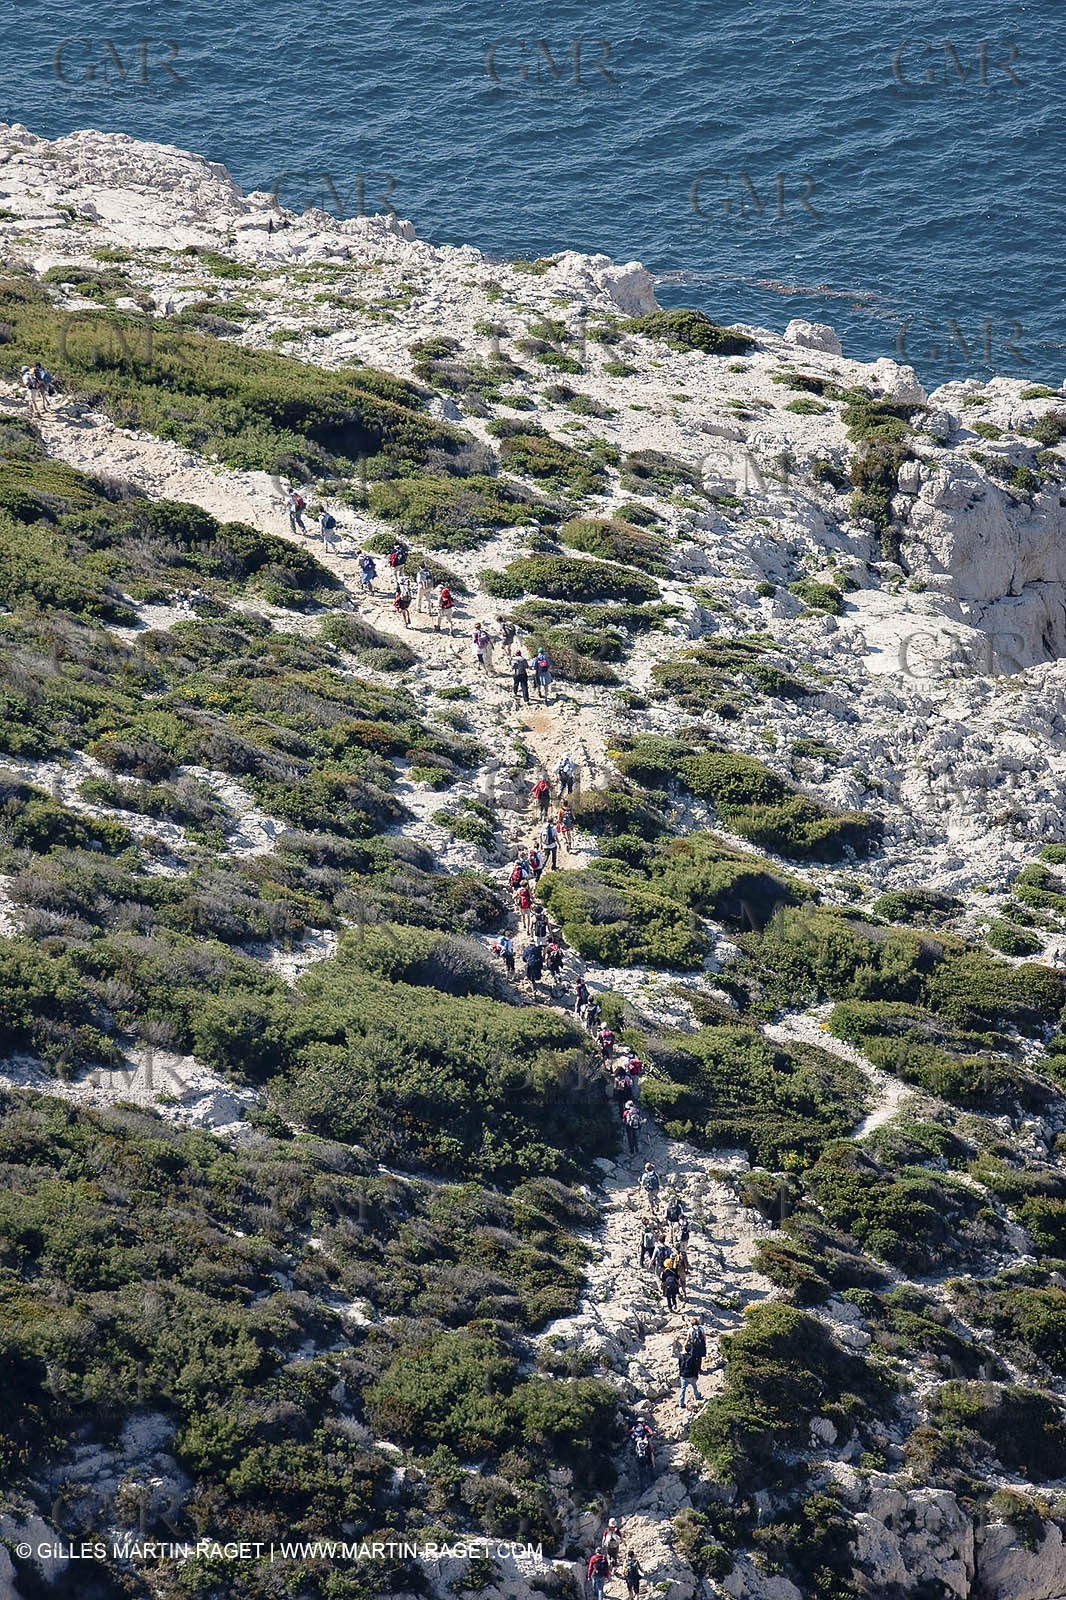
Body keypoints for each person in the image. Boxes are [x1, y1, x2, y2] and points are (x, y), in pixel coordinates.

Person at [679, 1318, 707, 1408]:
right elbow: (704, 1337)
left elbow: (688, 1338)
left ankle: (681, 1403)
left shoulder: (690, 1329)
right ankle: (697, 1395)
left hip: (683, 1374)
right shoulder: (701, 1328)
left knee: (683, 1389)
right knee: (699, 1359)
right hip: (700, 1346)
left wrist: (686, 1344)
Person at [630, 1422, 656, 1490]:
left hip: (638, 1451)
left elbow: (629, 1432)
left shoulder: (634, 1428)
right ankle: (653, 1477)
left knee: (641, 1470)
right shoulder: (646, 1427)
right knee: (651, 1460)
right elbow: (651, 1433)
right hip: (646, 1450)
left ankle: (642, 1487)